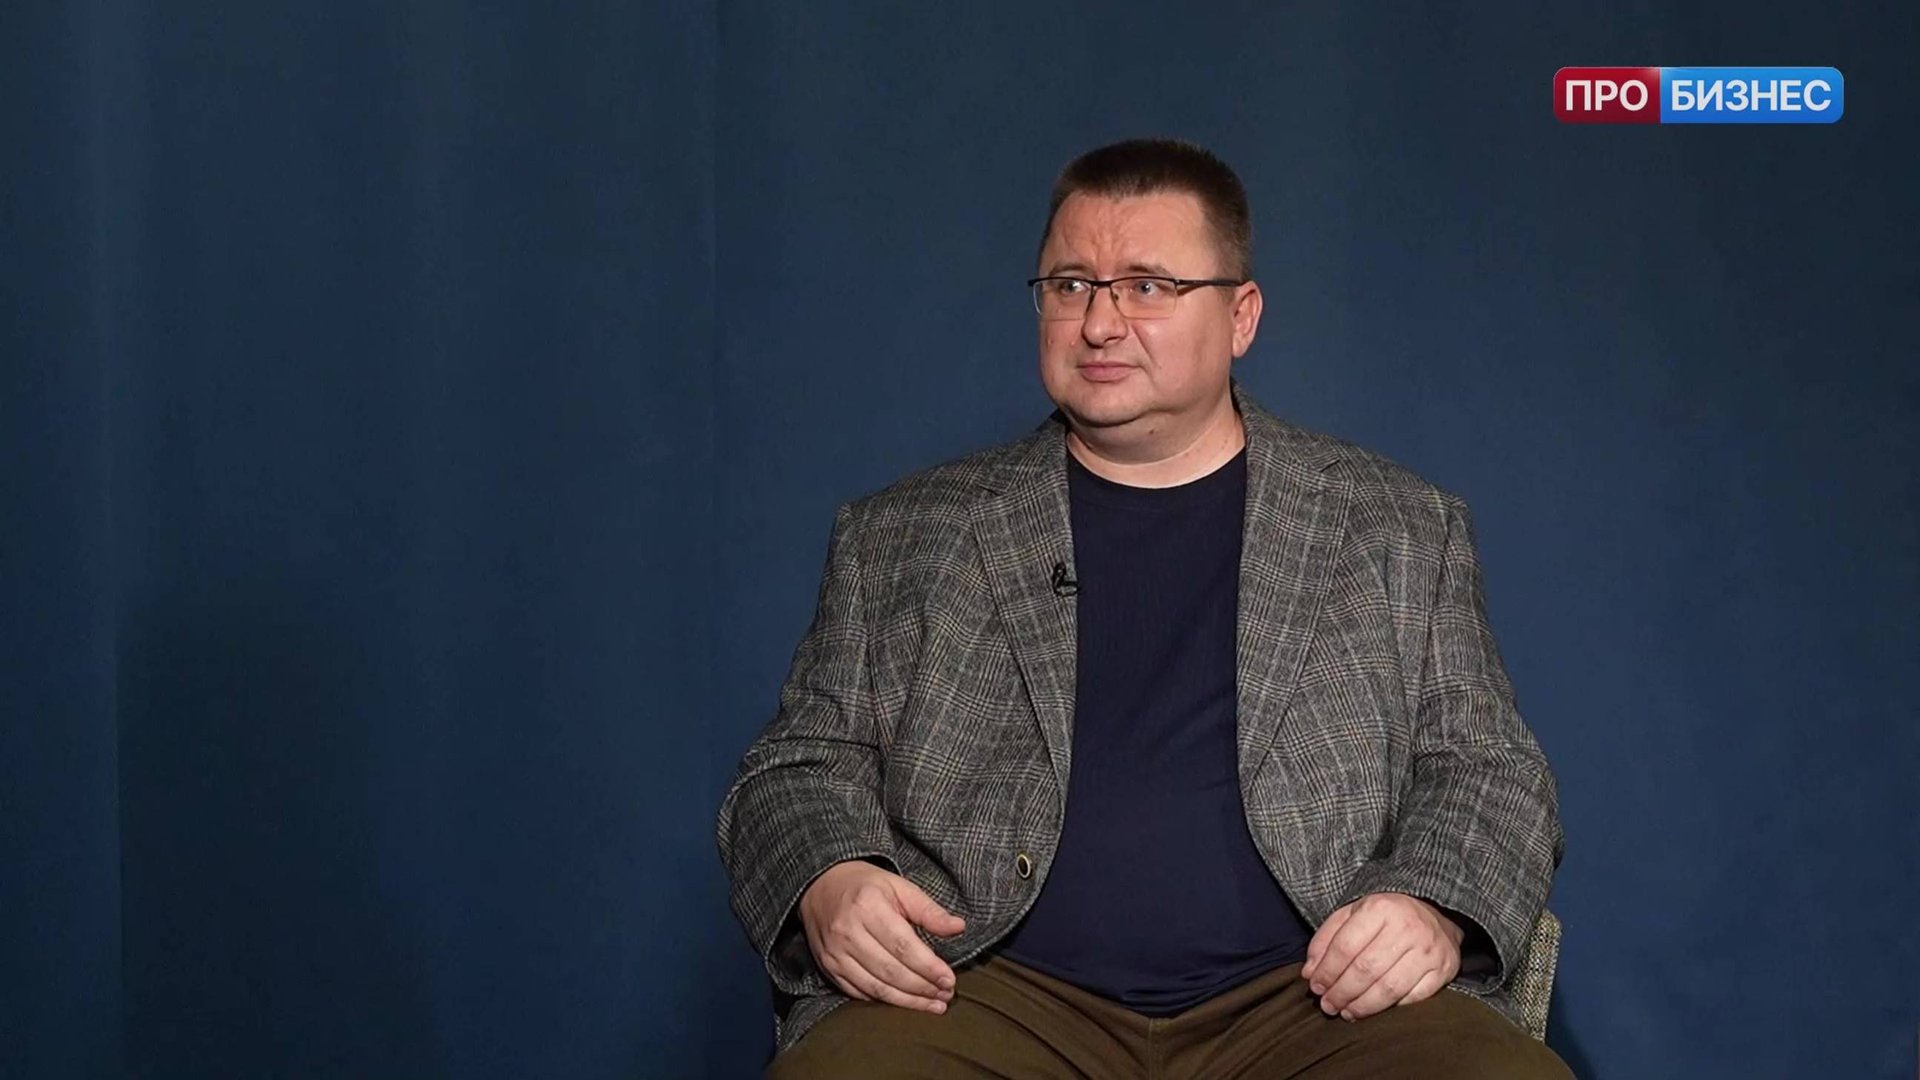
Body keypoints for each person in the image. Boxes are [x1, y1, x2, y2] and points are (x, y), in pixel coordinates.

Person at [716, 138, 1572, 1079]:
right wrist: (830, 878)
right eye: (1071, 285)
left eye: (1148, 287)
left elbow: (1491, 769)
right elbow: (793, 768)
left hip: (1315, 998)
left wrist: (1431, 905)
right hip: (980, 991)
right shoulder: (900, 534)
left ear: (1241, 316)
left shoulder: (1399, 526)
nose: (1099, 323)